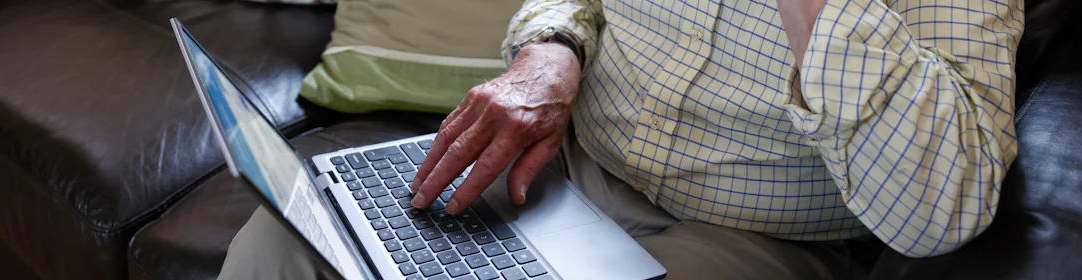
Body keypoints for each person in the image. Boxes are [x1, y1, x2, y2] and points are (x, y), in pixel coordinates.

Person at [220, 0, 1023, 279]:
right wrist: (552, 51)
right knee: (288, 237)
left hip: (754, 234)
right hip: (566, 163)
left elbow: (937, 212)